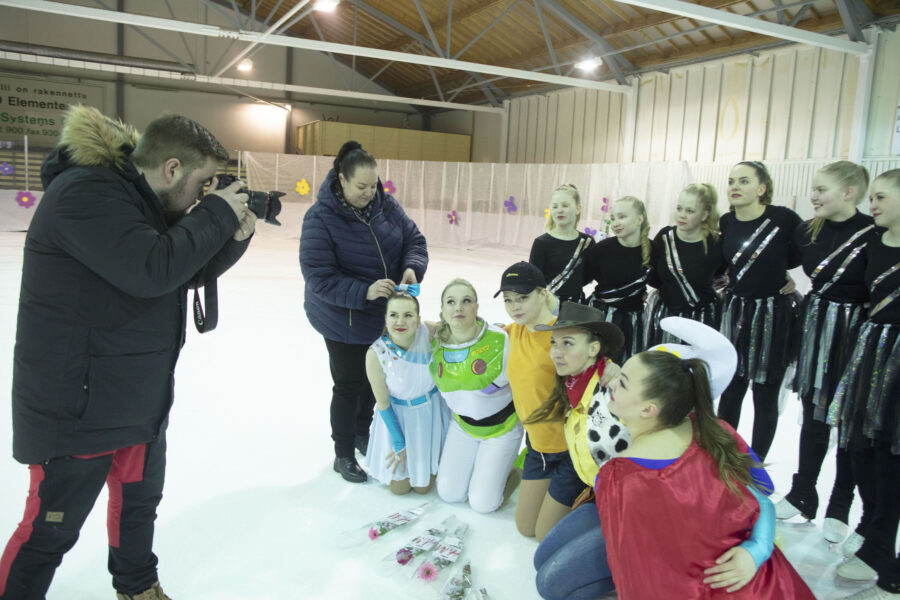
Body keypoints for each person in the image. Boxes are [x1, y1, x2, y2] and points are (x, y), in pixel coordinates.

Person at [0, 105, 254, 600]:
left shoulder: (138, 202)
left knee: (139, 508)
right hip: (77, 405)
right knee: (49, 531)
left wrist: (229, 240)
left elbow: (173, 275)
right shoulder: (85, 194)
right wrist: (216, 214)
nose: (202, 197)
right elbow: (151, 269)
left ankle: (137, 587)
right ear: (172, 169)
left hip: (133, 397)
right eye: (201, 185)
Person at [534, 317, 801, 599]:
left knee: (551, 584)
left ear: (650, 408)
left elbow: (760, 493)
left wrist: (758, 548)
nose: (610, 381)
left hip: (673, 549)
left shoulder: (628, 470)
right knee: (544, 561)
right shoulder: (644, 433)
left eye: (622, 382)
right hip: (622, 513)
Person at [299, 140, 428, 484]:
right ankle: (343, 453)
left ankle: (360, 432)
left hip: (380, 319)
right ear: (341, 179)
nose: (369, 193)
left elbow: (414, 240)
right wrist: (364, 291)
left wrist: (412, 268)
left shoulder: (386, 205)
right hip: (341, 319)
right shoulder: (320, 218)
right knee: (349, 384)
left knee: (375, 381)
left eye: (374, 185)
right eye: (361, 187)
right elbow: (318, 276)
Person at [776, 161, 877, 545]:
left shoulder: (873, 232)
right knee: (814, 413)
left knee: (849, 421)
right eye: (814, 189)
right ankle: (804, 492)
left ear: (849, 192)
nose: (813, 196)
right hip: (817, 327)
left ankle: (839, 505)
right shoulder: (806, 231)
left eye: (822, 189)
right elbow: (774, 262)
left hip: (856, 332)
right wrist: (782, 280)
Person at [830, 169, 900, 600]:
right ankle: (874, 532)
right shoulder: (873, 242)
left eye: (881, 197)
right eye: (870, 196)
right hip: (871, 352)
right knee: (861, 446)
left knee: (892, 453)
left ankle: (880, 547)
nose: (871, 205)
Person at [717, 161, 802, 460]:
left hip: (773, 316)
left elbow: (796, 256)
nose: (734, 187)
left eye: (743, 181)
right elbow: (722, 264)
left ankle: (756, 463)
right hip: (736, 313)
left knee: (765, 394)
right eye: (731, 181)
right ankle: (725, 458)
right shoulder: (726, 221)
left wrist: (783, 276)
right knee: (731, 390)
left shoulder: (784, 218)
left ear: (762, 188)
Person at [495, 262, 586, 540]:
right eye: (508, 300)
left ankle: (589, 493)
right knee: (525, 529)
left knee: (544, 534)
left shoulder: (562, 336)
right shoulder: (513, 332)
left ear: (543, 293)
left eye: (522, 298)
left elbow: (595, 372)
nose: (514, 306)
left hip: (569, 450)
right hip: (537, 448)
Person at [430, 279, 523, 513]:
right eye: (451, 302)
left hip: (501, 430)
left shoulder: (501, 340)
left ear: (476, 308)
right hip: (462, 427)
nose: (458, 307)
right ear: (442, 310)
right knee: (449, 494)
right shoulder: (434, 342)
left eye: (466, 301)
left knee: (483, 504)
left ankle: (517, 468)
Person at [527, 302, 624, 491]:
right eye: (554, 343)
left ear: (593, 349)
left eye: (568, 343)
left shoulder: (613, 387)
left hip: (620, 493)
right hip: (593, 485)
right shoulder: (572, 380)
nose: (556, 352)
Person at [363, 291, 449, 494]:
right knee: (399, 489)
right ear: (385, 318)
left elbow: (459, 328)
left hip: (430, 414)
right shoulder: (376, 354)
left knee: (423, 488)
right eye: (393, 315)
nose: (400, 321)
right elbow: (383, 404)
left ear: (418, 319)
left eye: (408, 315)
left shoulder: (429, 333)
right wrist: (399, 441)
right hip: (398, 418)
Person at [646, 182, 725, 346]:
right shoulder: (664, 237)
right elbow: (652, 274)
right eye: (679, 208)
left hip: (702, 318)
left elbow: (726, 272)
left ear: (704, 215)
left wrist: (785, 277)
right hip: (668, 316)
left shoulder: (716, 242)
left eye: (690, 211)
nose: (681, 215)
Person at [584, 196, 651, 363]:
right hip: (602, 318)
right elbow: (583, 278)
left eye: (622, 217)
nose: (615, 223)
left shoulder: (653, 249)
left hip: (633, 320)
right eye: (612, 218)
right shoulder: (601, 249)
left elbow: (659, 280)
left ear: (639, 219)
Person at [529, 184, 594, 304]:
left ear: (578, 208)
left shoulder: (587, 242)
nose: (559, 210)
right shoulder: (541, 243)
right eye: (555, 206)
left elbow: (588, 275)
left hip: (575, 307)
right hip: (547, 306)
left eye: (565, 205)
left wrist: (571, 288)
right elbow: (534, 279)